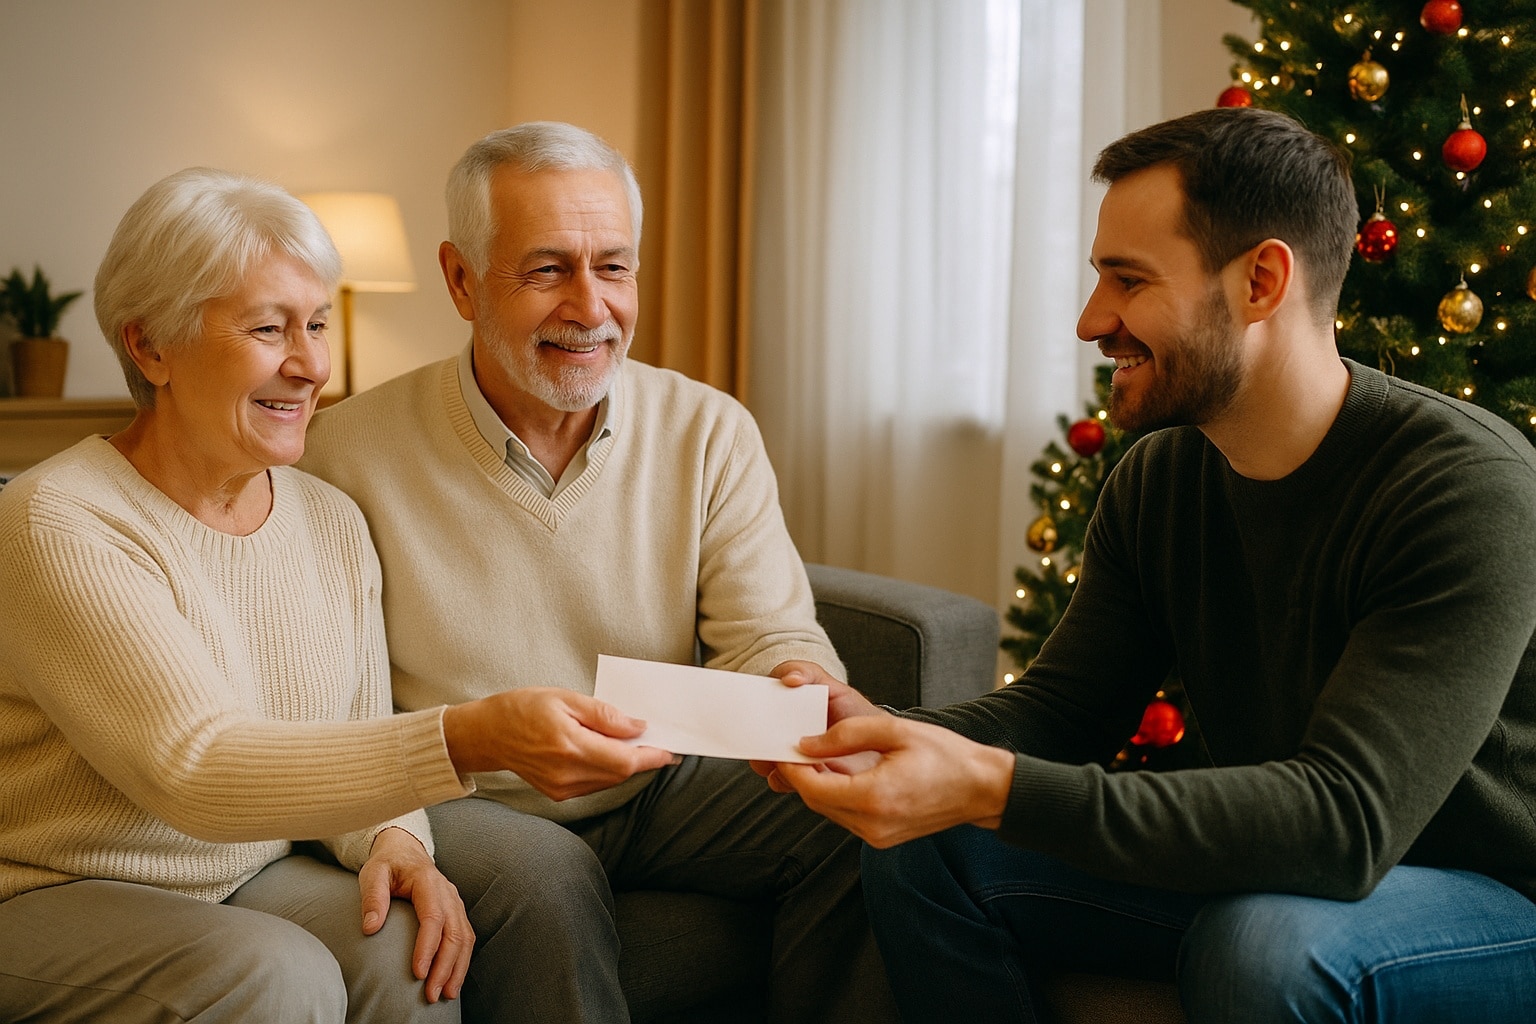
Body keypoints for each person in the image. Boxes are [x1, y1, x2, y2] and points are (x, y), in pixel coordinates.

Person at [761, 107, 1536, 1024]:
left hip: (1489, 896)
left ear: (1261, 280)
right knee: (926, 847)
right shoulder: (1162, 478)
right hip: (1288, 867)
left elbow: (1343, 823)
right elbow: (1061, 711)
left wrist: (990, 785)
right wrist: (890, 731)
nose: (1093, 321)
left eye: (1128, 281)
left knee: (1263, 945)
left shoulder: (1464, 487)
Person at [0, 167, 650, 1023]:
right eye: (269, 329)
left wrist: (396, 840)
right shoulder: (60, 518)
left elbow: (355, 726)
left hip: (244, 869)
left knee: (410, 946)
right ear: (150, 347)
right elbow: (195, 768)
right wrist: (467, 736)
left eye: (314, 323)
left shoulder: (329, 518)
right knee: (277, 973)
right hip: (54, 888)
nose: (311, 364)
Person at [298, 121, 895, 1023]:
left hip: (659, 780)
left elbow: (766, 631)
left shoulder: (708, 428)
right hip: (470, 798)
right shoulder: (342, 453)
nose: (590, 306)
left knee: (864, 810)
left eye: (613, 267)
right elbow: (331, 705)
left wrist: (794, 683)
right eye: (546, 270)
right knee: (549, 871)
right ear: (461, 280)